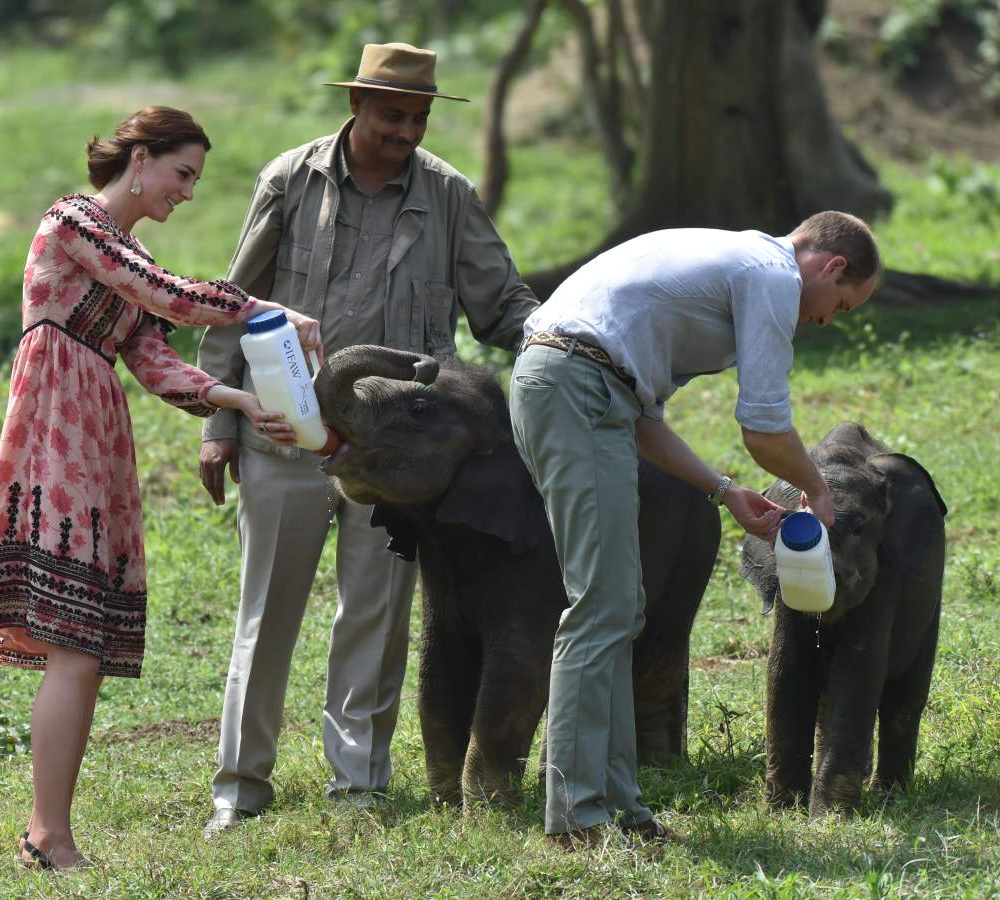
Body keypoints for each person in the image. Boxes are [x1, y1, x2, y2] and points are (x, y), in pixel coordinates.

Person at [0, 107, 322, 870]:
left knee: (83, 646)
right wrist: (264, 309)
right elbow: (163, 293)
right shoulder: (74, 222)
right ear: (140, 159)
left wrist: (236, 401)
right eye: (182, 173)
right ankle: (47, 835)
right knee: (71, 642)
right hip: (57, 416)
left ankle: (48, 832)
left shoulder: (125, 250)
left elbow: (152, 354)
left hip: (94, 425)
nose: (187, 191)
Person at [196, 42, 539, 836]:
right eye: (392, 114)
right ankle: (238, 790)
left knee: (377, 621)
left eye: (418, 117)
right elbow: (233, 300)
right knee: (265, 618)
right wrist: (220, 423)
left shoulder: (448, 193)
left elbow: (502, 305)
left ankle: (359, 786)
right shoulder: (290, 178)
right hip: (284, 432)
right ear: (355, 107)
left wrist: (572, 344)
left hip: (400, 460)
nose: (407, 130)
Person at [508, 211, 881, 849]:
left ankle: (622, 809)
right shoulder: (770, 273)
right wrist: (817, 490)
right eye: (840, 306)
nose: (824, 321)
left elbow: (643, 417)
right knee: (599, 607)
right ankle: (573, 818)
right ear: (831, 265)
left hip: (586, 391)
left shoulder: (732, 267)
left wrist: (724, 491)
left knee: (619, 608)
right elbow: (763, 426)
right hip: (574, 388)